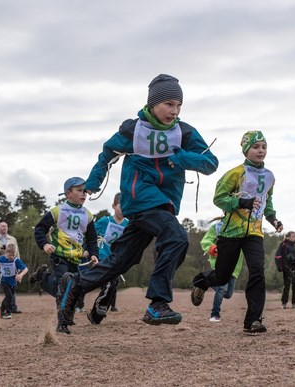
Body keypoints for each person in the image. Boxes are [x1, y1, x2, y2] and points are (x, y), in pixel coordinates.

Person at [58, 74, 218, 329]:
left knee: (122, 260)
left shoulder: (184, 132)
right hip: (140, 195)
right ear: (153, 103)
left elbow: (211, 163)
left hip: (164, 201)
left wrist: (183, 157)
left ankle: (75, 284)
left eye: (178, 106)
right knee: (176, 237)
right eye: (168, 104)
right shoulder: (133, 130)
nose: (174, 111)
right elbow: (106, 155)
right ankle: (157, 303)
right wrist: (92, 182)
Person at [191, 131, 283, 334]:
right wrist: (242, 202)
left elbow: (267, 203)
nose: (261, 151)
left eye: (264, 147)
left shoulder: (270, 177)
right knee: (222, 276)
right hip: (231, 231)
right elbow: (219, 198)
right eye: (256, 147)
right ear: (245, 149)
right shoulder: (235, 173)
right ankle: (201, 282)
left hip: (255, 233)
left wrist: (273, 219)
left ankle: (253, 321)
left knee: (258, 272)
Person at [31, 177, 99, 334]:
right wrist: (45, 244)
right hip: (59, 256)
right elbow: (39, 229)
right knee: (65, 286)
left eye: (85, 191)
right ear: (68, 193)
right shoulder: (57, 211)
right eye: (80, 190)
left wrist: (94, 254)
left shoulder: (88, 215)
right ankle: (63, 323)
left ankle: (42, 277)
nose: (84, 194)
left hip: (77, 258)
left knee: (71, 288)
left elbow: (92, 239)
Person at [87, 192, 129, 325]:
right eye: (121, 206)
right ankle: (94, 307)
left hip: (117, 259)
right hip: (102, 257)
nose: (123, 209)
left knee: (112, 283)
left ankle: (96, 314)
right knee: (109, 282)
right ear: (113, 206)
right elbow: (91, 234)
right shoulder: (105, 221)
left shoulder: (128, 224)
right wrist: (90, 250)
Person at [200, 219, 244, 321]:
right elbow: (205, 241)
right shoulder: (217, 227)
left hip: (234, 266)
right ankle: (215, 314)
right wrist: (213, 249)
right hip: (220, 263)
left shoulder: (242, 226)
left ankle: (205, 281)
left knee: (228, 294)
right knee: (222, 289)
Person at [0, 244, 28, 319]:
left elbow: (26, 269)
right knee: (9, 296)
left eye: (13, 255)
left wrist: (20, 275)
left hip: (13, 281)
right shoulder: (1, 259)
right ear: (6, 253)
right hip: (4, 280)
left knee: (9, 296)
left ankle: (1, 308)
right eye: (10, 255)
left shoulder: (16, 260)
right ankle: (8, 312)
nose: (12, 257)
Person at [274, 232, 295, 309]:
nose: (294, 238)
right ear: (288, 237)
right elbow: (278, 255)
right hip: (287, 268)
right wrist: (281, 267)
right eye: (293, 236)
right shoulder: (284, 245)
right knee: (287, 286)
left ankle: (294, 303)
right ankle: (284, 303)